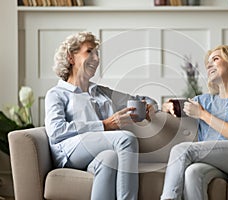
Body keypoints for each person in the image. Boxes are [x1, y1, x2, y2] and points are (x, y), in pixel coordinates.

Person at [44, 31, 157, 200]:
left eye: (97, 54)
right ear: (70, 57)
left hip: (98, 151)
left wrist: (151, 107)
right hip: (68, 152)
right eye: (89, 52)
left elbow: (142, 99)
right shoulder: (57, 93)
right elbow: (56, 131)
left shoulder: (100, 92)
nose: (96, 59)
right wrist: (104, 125)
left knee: (109, 159)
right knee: (126, 139)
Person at [161, 45, 228, 200]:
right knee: (193, 172)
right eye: (207, 63)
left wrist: (202, 114)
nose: (209, 65)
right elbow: (167, 105)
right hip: (218, 161)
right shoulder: (203, 100)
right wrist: (168, 106)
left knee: (181, 150)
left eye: (215, 59)